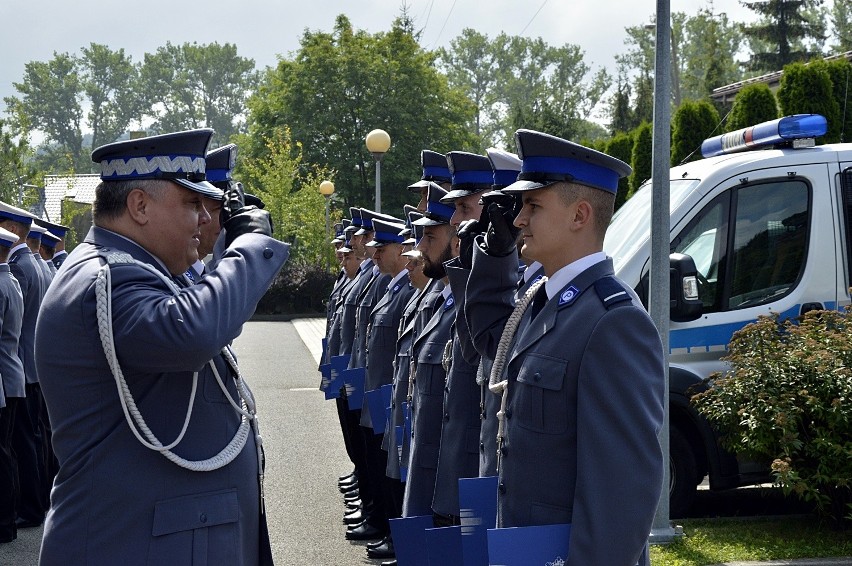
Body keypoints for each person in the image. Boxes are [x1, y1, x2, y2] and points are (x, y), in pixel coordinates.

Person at [34, 129, 288, 565]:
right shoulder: (108, 278)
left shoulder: (143, 270)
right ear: (139, 206)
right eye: (192, 204)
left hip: (170, 537)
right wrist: (251, 248)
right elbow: (193, 332)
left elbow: (207, 301)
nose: (206, 219)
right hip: (138, 543)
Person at [465, 129, 665, 566]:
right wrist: (494, 255)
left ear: (579, 215)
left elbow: (622, 492)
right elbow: (485, 335)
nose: (518, 219)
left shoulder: (613, 321)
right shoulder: (541, 301)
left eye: (533, 206)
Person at [402, 183, 458, 519]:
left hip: (452, 482)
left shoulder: (472, 306)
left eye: (429, 237)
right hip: (431, 469)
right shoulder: (444, 298)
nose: (419, 246)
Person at [0, 201, 47, 530]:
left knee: (19, 445)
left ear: (12, 230)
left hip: (18, 368)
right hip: (26, 366)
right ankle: (33, 501)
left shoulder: (20, 270)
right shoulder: (31, 267)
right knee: (29, 440)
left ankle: (27, 507)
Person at [0, 227, 24, 544]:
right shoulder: (11, 280)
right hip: (12, 372)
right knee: (7, 453)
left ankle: (5, 522)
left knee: (3, 455)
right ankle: (9, 518)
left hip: (4, 377)